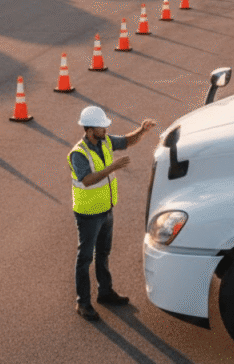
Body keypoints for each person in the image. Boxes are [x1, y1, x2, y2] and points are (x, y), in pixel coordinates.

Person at [68, 105, 157, 321]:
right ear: (89, 131)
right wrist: (111, 169)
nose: (106, 130)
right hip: (89, 213)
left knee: (104, 252)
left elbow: (127, 141)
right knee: (85, 258)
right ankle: (83, 303)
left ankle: (105, 292)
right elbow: (87, 180)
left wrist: (142, 131)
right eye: (102, 127)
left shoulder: (105, 141)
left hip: (106, 209)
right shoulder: (78, 154)